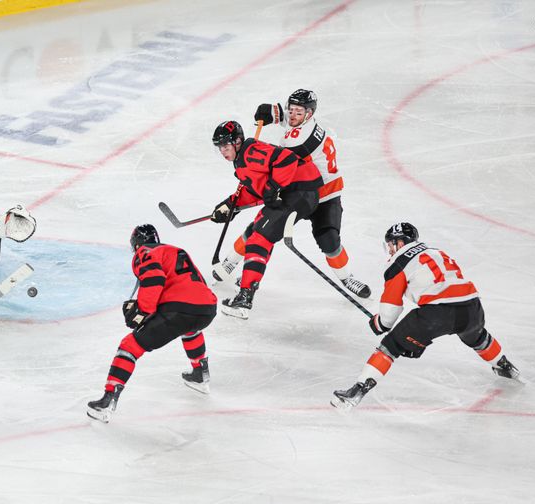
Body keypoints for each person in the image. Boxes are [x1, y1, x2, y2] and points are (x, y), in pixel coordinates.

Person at [331, 222, 521, 409]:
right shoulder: (437, 252)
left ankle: (357, 391)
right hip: (472, 307)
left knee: (390, 346)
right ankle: (505, 366)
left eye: (390, 244)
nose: (389, 250)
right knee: (478, 336)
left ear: (400, 243)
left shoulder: (398, 263)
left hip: (437, 314)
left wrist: (380, 324)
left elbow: (390, 311)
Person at [215, 90, 370, 298]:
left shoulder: (298, 140)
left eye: (299, 112)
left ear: (309, 113)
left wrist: (257, 172)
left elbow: (281, 163)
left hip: (325, 193)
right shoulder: (304, 121)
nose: (293, 115)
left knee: (329, 240)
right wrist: (271, 111)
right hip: (300, 189)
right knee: (261, 228)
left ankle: (346, 277)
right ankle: (230, 262)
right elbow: (282, 115)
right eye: (292, 110)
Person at [87, 225, 218, 423]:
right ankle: (200, 373)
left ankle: (107, 400)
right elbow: (195, 282)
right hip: (207, 307)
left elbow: (154, 278)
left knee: (129, 347)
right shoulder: (175, 250)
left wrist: (143, 311)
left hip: (180, 309)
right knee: (191, 328)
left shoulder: (145, 252)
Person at [210, 120, 323, 319]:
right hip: (294, 193)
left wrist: (274, 185)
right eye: (220, 147)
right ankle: (250, 280)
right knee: (256, 232)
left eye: (225, 146)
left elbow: (287, 159)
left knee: (258, 239)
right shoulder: (241, 160)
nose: (222, 151)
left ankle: (244, 298)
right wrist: (230, 204)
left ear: (237, 142)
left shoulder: (250, 151)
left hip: (300, 192)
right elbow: (257, 188)